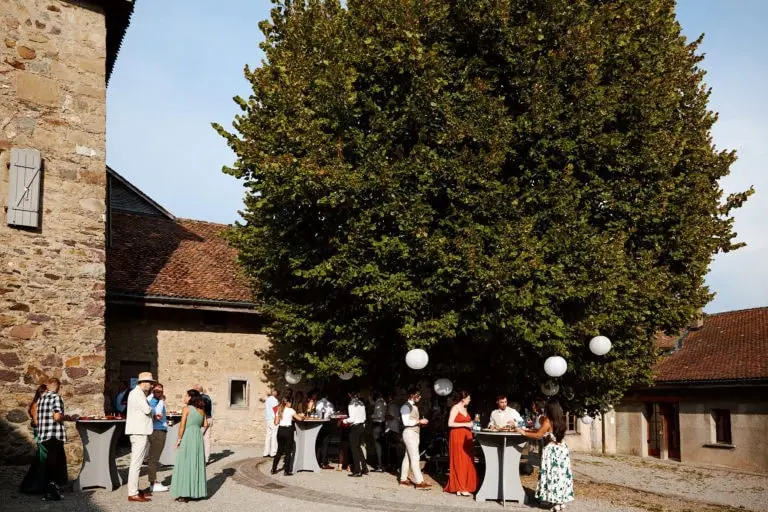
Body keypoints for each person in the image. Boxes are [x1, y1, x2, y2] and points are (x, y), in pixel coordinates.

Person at [516, 400, 574, 511]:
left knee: (551, 476)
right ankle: (560, 501)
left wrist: (522, 432)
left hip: (551, 450)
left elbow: (538, 435)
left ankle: (554, 501)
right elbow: (541, 431)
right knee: (561, 476)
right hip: (562, 450)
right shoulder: (561, 421)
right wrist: (529, 430)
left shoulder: (547, 421)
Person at [36, 378, 78, 501]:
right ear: (58, 387)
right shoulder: (56, 397)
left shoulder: (41, 398)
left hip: (44, 434)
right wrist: (69, 417)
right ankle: (52, 492)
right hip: (54, 434)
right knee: (55, 464)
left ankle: (49, 490)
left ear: (48, 386)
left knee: (49, 463)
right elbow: (57, 416)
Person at [171, 389, 209, 502]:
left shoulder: (186, 409)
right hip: (197, 436)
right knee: (196, 462)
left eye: (185, 396)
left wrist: (178, 440)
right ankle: (197, 492)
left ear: (190, 397)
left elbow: (182, 426)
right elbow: (206, 424)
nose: (184, 398)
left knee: (184, 463)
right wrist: (198, 433)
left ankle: (184, 493)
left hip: (188, 436)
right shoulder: (202, 410)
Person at [125, 372, 155, 503]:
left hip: (139, 431)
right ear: (142, 383)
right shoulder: (137, 394)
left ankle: (135, 490)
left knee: (136, 463)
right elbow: (147, 410)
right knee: (136, 463)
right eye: (149, 382)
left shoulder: (138, 393)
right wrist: (153, 409)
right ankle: (132, 493)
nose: (150, 385)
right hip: (139, 432)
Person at [444, 390, 477, 497]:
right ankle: (460, 487)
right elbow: (450, 423)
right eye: (468, 398)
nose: (470, 400)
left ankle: (462, 486)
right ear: (463, 399)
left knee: (467, 461)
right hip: (457, 436)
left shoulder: (465, 408)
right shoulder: (455, 408)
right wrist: (466, 424)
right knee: (459, 460)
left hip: (466, 437)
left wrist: (470, 425)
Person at [399, 388, 431, 489]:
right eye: (418, 395)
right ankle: (419, 481)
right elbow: (406, 422)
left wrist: (420, 423)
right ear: (412, 395)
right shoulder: (405, 406)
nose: (420, 397)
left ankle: (403, 479)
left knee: (407, 457)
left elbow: (412, 420)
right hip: (409, 432)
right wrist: (419, 421)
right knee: (415, 457)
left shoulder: (413, 406)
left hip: (414, 432)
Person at [20, 384, 48, 495]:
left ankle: (36, 483)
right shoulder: (36, 405)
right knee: (42, 459)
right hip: (40, 432)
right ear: (40, 393)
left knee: (40, 458)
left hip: (41, 431)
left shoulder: (40, 403)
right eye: (44, 393)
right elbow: (36, 422)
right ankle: (35, 485)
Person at [272, 396, 304, 475]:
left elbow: (276, 423)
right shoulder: (291, 410)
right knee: (288, 451)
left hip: (280, 430)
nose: (291, 404)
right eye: (291, 402)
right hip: (288, 431)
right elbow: (299, 419)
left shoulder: (279, 410)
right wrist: (302, 416)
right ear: (288, 402)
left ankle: (273, 469)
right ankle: (286, 471)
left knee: (279, 451)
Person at [146, 382, 169, 493]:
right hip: (157, 431)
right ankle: (153, 483)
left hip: (158, 429)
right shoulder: (152, 401)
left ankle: (153, 481)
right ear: (152, 391)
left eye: (161, 391)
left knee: (153, 458)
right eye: (156, 391)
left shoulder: (156, 400)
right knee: (154, 458)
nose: (159, 393)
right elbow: (156, 415)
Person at [343, 391, 368, 477]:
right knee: (359, 448)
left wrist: (344, 420)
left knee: (354, 449)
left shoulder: (351, 404)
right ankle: (364, 468)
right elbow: (364, 417)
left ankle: (357, 470)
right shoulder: (361, 403)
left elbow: (352, 419)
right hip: (362, 426)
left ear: (349, 395)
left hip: (355, 427)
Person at [193, 384, 213, 464]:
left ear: (197, 390)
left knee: (197, 438)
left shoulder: (199, 398)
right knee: (206, 439)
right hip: (209, 418)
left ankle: (197, 458)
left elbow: (201, 410)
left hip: (202, 420)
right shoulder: (208, 397)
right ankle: (206, 458)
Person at [385, 391, 403, 471]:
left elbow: (391, 417)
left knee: (391, 448)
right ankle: (394, 465)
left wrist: (385, 416)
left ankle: (392, 465)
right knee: (393, 448)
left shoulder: (391, 406)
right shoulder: (396, 406)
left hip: (391, 428)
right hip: (395, 428)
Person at [315, 392, 334, 469]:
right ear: (327, 396)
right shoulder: (330, 404)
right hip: (326, 423)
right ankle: (324, 462)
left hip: (319, 424)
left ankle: (317, 461)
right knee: (325, 444)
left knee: (319, 443)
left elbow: (317, 412)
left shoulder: (318, 403)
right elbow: (332, 414)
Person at [369, 391, 387, 472]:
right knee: (380, 445)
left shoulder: (380, 402)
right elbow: (373, 404)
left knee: (378, 446)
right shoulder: (381, 402)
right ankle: (381, 465)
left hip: (377, 424)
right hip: (381, 424)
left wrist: (371, 416)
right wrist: (370, 397)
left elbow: (379, 414)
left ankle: (380, 466)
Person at [263, 389, 279, 457]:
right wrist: (277, 419)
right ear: (274, 392)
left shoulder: (267, 399)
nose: (277, 393)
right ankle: (273, 452)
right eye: (276, 392)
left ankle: (266, 452)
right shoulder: (274, 400)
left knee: (268, 436)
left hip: (268, 419)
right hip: (273, 419)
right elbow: (276, 410)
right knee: (274, 435)